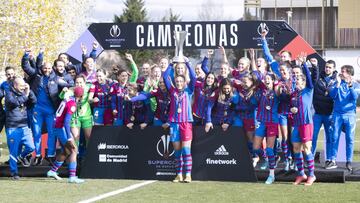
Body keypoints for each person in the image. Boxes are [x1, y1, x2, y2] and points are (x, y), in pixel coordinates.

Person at [21, 50, 64, 165]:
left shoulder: (56, 78)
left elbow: (68, 84)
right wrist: (26, 56)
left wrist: (68, 89)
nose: (47, 70)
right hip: (37, 110)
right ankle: (38, 155)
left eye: (49, 68)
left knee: (51, 132)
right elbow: (25, 66)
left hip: (50, 110)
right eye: (45, 68)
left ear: (52, 69)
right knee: (36, 132)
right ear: (42, 68)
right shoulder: (36, 74)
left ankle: (50, 155)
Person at [163, 58, 196, 183]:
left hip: (186, 123)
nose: (179, 83)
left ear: (184, 81)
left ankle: (188, 175)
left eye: (181, 81)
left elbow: (193, 77)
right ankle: (179, 175)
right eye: (177, 81)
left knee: (186, 150)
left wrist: (187, 64)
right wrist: (171, 64)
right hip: (174, 124)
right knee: (177, 151)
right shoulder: (172, 91)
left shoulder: (189, 90)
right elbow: (165, 77)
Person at [47, 86, 85, 183]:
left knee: (67, 151)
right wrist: (69, 137)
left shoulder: (68, 99)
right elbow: (66, 121)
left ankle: (52, 171)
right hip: (60, 127)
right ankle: (72, 177)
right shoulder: (72, 104)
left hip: (56, 125)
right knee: (73, 150)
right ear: (81, 96)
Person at [290, 55, 316, 186]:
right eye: (296, 81)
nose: (297, 83)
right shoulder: (294, 94)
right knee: (296, 148)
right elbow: (293, 107)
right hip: (296, 123)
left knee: (307, 149)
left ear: (304, 83)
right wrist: (292, 110)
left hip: (306, 123)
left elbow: (310, 79)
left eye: (299, 81)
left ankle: (311, 175)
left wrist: (304, 64)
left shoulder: (308, 90)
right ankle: (301, 174)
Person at [328, 65, 359, 172]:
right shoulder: (337, 83)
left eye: (343, 71)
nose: (341, 73)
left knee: (349, 139)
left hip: (350, 114)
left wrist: (350, 86)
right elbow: (332, 95)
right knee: (335, 137)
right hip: (337, 114)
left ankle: (349, 160)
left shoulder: (355, 84)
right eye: (341, 71)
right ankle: (333, 159)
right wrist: (337, 84)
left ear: (349, 74)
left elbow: (355, 97)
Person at [5, 77, 36, 180]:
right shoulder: (9, 94)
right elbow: (14, 103)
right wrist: (26, 95)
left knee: (31, 147)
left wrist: (29, 91)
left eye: (24, 85)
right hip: (13, 128)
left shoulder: (24, 93)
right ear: (15, 85)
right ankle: (14, 173)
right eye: (21, 85)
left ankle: (21, 157)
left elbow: (34, 101)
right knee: (13, 152)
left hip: (24, 126)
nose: (23, 87)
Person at [253, 73, 280, 184]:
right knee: (255, 147)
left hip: (272, 122)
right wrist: (253, 57)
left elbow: (278, 85)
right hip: (261, 121)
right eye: (265, 79)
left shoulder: (277, 92)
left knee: (269, 148)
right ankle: (267, 157)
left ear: (273, 81)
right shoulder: (262, 90)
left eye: (269, 79)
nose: (266, 80)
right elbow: (255, 74)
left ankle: (271, 175)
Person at [309, 59, 337, 169]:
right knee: (313, 137)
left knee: (330, 138)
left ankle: (329, 159)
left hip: (329, 114)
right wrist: (315, 66)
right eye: (326, 67)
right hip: (317, 114)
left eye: (330, 67)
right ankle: (310, 158)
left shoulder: (336, 81)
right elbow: (313, 75)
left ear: (334, 69)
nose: (327, 69)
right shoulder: (318, 78)